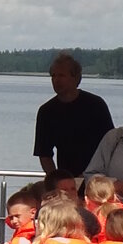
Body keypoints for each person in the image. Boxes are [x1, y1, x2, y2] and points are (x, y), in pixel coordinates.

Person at [33, 53, 114, 184]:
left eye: (61, 75)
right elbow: (44, 154)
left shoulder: (96, 105)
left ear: (76, 78)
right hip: (66, 179)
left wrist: (90, 175)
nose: (56, 80)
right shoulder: (46, 112)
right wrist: (57, 180)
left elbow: (110, 145)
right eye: (53, 76)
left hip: (98, 178)